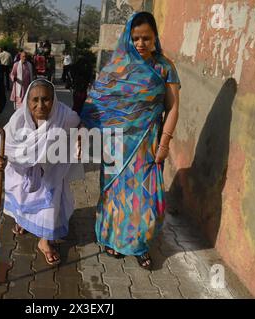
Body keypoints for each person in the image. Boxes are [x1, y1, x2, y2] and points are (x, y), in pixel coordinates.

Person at [80, 12, 181, 269]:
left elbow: (173, 108)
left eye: (146, 38)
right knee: (115, 195)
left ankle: (139, 244)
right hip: (115, 145)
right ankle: (113, 240)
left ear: (155, 37)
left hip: (146, 145)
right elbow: (96, 101)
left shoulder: (164, 67)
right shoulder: (118, 67)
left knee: (144, 199)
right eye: (135, 38)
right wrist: (81, 130)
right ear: (128, 37)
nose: (140, 44)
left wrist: (165, 143)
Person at [0, 79, 82, 266]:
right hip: (22, 174)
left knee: (50, 203)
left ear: (54, 100)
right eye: (35, 100)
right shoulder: (17, 120)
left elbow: (80, 124)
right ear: (27, 101)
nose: (40, 105)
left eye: (46, 99)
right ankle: (23, 221)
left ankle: (44, 241)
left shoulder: (64, 115)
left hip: (50, 173)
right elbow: (0, 147)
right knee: (23, 202)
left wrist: (80, 136)